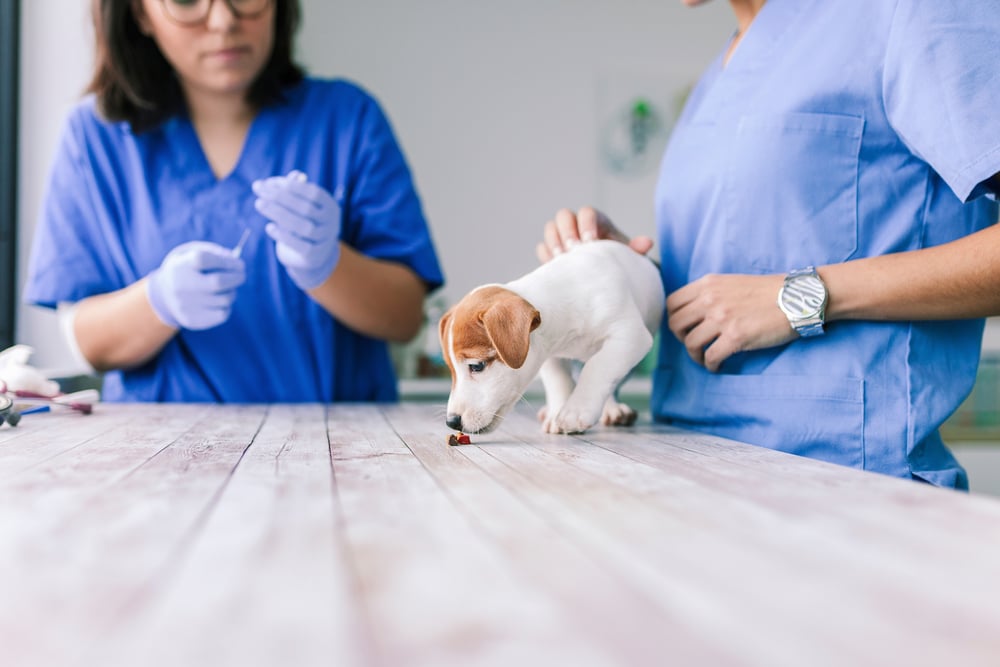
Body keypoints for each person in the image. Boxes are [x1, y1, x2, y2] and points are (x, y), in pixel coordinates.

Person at [537, 0, 1000, 489]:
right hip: (683, 466)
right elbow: (734, 282)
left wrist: (804, 296)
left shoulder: (913, 11)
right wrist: (622, 270)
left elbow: (772, 293)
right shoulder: (716, 77)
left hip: (844, 486)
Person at [24, 0, 443, 402]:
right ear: (140, 13)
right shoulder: (95, 137)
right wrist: (159, 301)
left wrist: (329, 266)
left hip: (337, 454)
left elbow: (405, 317)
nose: (224, 20)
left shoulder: (348, 119)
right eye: (187, 0)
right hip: (161, 454)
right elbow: (88, 341)